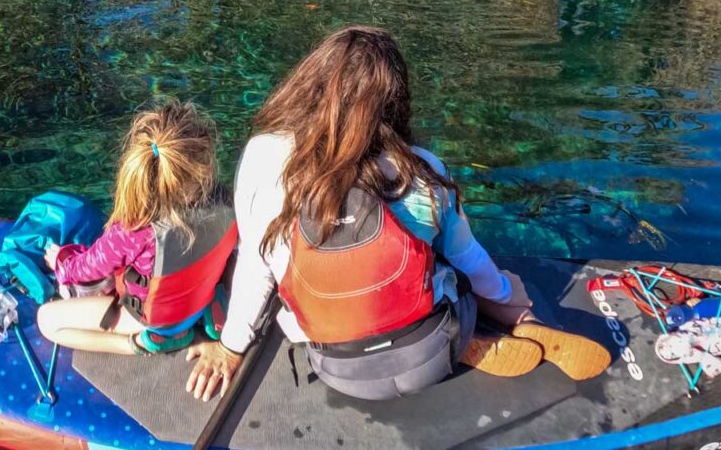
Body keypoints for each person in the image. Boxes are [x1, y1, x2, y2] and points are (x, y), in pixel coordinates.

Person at [184, 26, 610, 402]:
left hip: (335, 365)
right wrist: (506, 294)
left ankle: (473, 336)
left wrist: (230, 348)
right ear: (395, 103)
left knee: (260, 256)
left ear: (308, 88)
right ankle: (505, 323)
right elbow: (469, 257)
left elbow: (258, 271)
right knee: (448, 260)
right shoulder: (421, 170)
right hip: (427, 351)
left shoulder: (264, 156)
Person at [37, 100, 237, 355]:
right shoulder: (226, 198)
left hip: (156, 320)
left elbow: (86, 268)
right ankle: (207, 310)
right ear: (205, 164)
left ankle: (143, 342)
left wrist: (62, 263)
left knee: (47, 320)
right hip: (203, 295)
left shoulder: (132, 231)